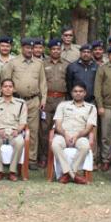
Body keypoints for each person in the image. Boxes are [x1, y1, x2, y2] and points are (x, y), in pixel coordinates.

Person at [1, 38, 47, 170]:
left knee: (33, 130)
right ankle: (12, 158)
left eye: (31, 48)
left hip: (33, 101)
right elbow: (6, 81)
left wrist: (43, 99)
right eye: (27, 48)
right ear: (22, 48)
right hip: (16, 101)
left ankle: (31, 159)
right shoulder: (13, 63)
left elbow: (43, 83)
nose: (29, 50)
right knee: (14, 128)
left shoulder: (38, 63)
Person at [52, 82, 96, 184]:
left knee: (85, 146)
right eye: (75, 91)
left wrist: (77, 135)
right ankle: (72, 174)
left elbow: (88, 128)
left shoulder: (91, 108)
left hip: (80, 136)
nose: (78, 93)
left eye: (81, 91)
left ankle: (69, 173)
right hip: (63, 134)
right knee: (55, 144)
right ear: (71, 93)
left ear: (85, 93)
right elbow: (58, 125)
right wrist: (65, 134)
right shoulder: (63, 105)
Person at [0, 79, 28, 181]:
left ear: (13, 89)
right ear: (1, 89)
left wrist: (18, 131)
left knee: (20, 142)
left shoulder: (21, 103)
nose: (8, 88)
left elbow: (23, 122)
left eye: (10, 86)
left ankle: (12, 171)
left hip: (14, 131)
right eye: (5, 86)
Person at [40, 38, 69, 168]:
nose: (56, 51)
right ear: (49, 50)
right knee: (44, 129)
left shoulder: (67, 65)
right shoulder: (43, 63)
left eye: (58, 49)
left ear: (61, 50)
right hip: (47, 100)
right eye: (53, 49)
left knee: (60, 129)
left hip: (62, 100)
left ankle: (58, 156)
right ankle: (44, 157)